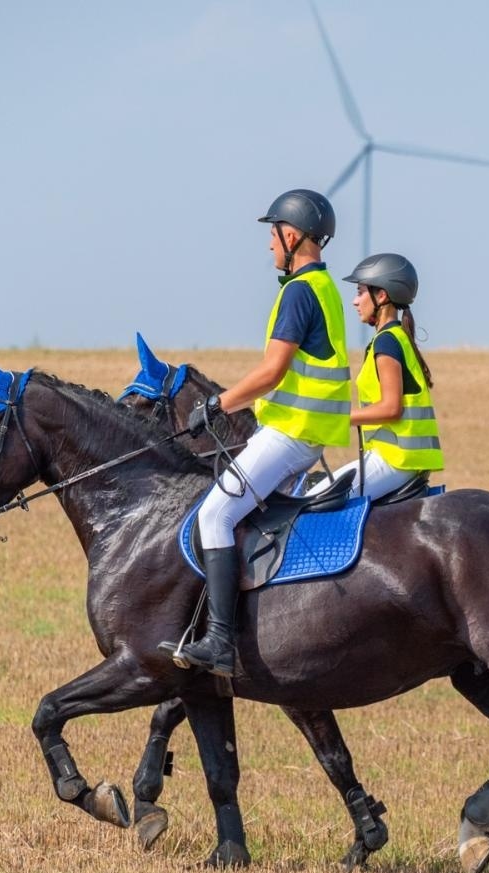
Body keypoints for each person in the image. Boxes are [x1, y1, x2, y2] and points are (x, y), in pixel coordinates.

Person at [159, 189, 351, 678]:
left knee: (216, 515)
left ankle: (220, 642)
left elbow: (272, 372)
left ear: (292, 236)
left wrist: (216, 404)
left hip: (289, 433)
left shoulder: (297, 292)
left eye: (272, 234)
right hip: (306, 434)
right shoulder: (325, 288)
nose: (268, 245)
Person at [333, 253, 444, 499]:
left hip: (395, 459)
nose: (354, 301)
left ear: (381, 295)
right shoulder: (395, 338)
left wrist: (335, 418)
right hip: (401, 459)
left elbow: (391, 408)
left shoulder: (386, 342)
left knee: (317, 502)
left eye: (360, 292)